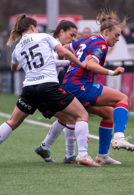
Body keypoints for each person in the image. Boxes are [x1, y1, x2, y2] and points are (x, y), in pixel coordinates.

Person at [0, 13, 100, 168]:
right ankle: (83, 155)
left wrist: (22, 64)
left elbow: (14, 67)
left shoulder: (17, 47)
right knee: (82, 114)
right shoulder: (44, 37)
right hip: (48, 86)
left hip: (29, 89)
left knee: (12, 122)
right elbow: (65, 53)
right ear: (33, 27)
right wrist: (81, 64)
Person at [36, 9, 134, 166]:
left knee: (108, 114)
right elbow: (91, 65)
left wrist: (58, 58)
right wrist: (113, 72)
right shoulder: (101, 44)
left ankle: (102, 156)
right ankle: (118, 137)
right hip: (80, 85)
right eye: (116, 35)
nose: (118, 39)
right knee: (122, 98)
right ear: (106, 31)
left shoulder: (89, 40)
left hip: (69, 85)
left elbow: (66, 48)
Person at [34, 20, 79, 164]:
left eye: (75, 36)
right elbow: (50, 61)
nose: (73, 39)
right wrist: (76, 62)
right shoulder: (50, 45)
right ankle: (70, 156)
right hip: (41, 90)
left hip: (42, 90)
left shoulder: (57, 48)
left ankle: (44, 147)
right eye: (71, 35)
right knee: (72, 118)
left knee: (66, 118)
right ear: (61, 32)